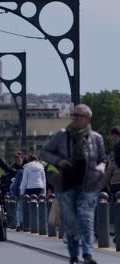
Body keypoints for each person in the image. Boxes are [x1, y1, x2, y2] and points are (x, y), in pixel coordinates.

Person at [40, 104, 106, 264]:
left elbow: (102, 159)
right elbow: (44, 152)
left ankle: (88, 254)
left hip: (88, 184)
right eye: (74, 115)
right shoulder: (62, 136)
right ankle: (74, 255)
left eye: (79, 116)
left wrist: (100, 169)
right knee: (71, 222)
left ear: (87, 119)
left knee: (86, 218)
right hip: (67, 183)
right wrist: (59, 161)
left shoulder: (96, 138)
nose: (75, 118)